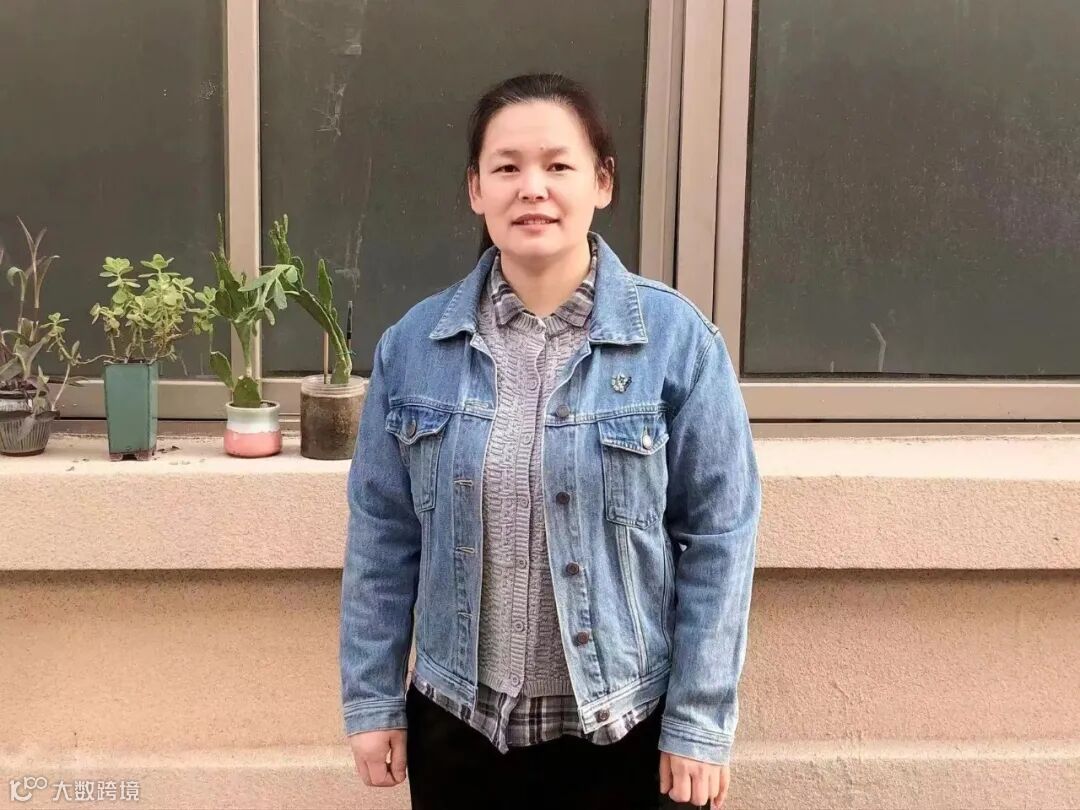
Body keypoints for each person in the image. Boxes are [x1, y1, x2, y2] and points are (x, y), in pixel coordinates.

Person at [340, 73, 761, 810]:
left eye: (558, 165)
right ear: (476, 189)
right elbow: (383, 536)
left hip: (627, 730)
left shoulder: (676, 343)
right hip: (460, 729)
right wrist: (373, 700)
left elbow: (720, 536)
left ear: (602, 182)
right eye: (507, 167)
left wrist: (699, 722)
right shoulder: (413, 347)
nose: (532, 188)